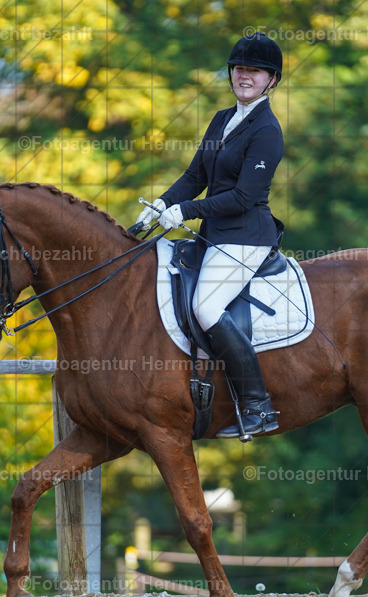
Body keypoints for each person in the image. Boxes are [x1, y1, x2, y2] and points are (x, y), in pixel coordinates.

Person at [137, 31, 285, 439]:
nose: (244, 76)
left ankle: (258, 406)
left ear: (271, 80)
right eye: (239, 69)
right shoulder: (222, 118)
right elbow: (194, 177)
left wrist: (185, 211)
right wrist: (161, 205)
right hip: (213, 234)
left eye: (255, 71)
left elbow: (242, 198)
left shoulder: (267, 130)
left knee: (206, 306)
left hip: (246, 238)